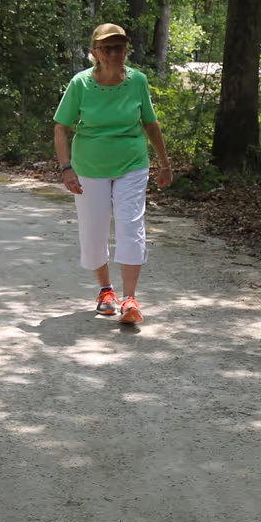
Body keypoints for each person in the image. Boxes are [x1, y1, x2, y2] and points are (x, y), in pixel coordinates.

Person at [53, 23, 173, 324]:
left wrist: (165, 164)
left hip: (132, 164)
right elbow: (60, 127)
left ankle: (130, 299)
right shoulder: (80, 83)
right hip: (88, 167)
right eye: (107, 48)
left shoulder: (138, 81)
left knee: (130, 226)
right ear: (95, 53)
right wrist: (66, 168)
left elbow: (150, 124)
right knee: (94, 230)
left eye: (119, 47)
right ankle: (106, 292)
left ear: (126, 50)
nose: (114, 52)